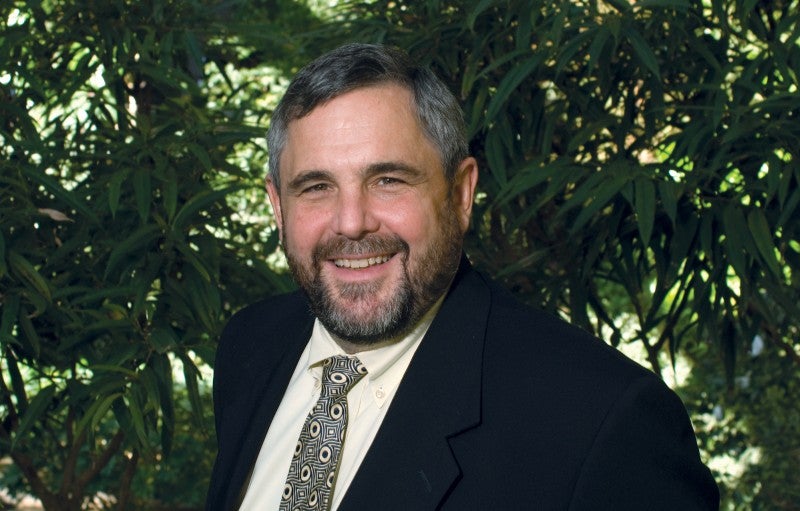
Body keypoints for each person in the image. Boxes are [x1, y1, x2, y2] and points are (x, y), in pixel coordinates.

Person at [206, 43, 719, 511]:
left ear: (460, 193)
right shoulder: (249, 346)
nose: (351, 222)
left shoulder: (603, 422)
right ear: (277, 205)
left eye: (388, 180)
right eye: (316, 187)